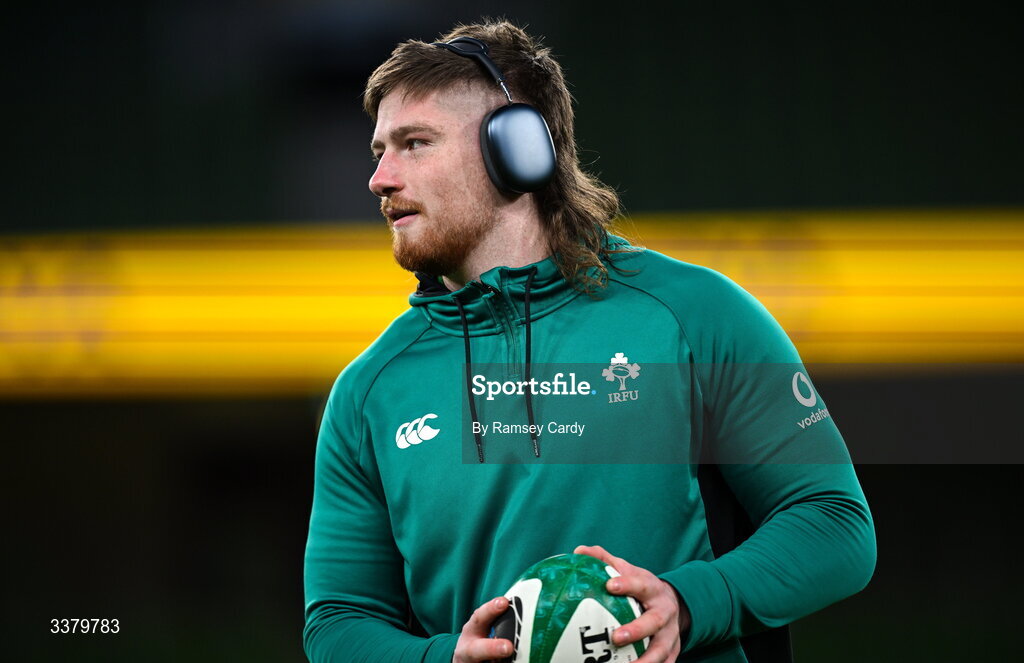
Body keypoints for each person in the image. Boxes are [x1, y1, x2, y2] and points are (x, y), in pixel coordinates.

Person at [303, 20, 876, 663]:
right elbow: (339, 623)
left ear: (517, 150)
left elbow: (834, 526)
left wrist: (688, 604)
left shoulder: (696, 316)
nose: (381, 178)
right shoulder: (368, 392)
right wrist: (440, 660)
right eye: (379, 150)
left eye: (415, 143)